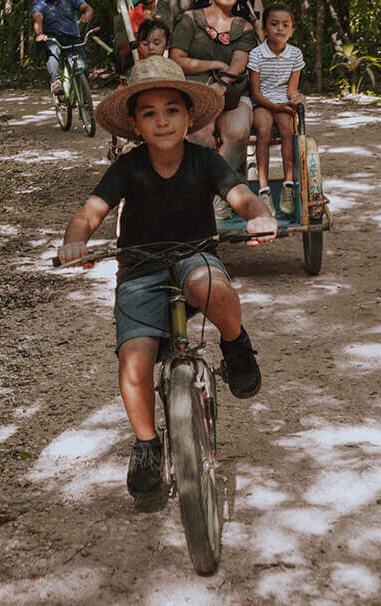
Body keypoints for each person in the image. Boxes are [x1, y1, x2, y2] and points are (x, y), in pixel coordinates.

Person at [57, 56, 277, 499]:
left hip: (195, 255)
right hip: (139, 268)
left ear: (189, 116)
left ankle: (236, 346)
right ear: (136, 125)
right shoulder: (127, 168)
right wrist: (74, 242)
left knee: (210, 287)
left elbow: (243, 198)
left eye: (172, 110)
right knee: (133, 362)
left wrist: (260, 217)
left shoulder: (205, 161)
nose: (162, 121)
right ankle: (146, 444)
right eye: (149, 113)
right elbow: (88, 215)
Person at [169, 0, 260, 219]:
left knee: (239, 133)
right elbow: (177, 59)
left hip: (232, 92)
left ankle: (218, 196)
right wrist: (213, 63)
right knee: (200, 136)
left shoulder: (245, 27)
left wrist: (220, 86)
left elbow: (239, 64)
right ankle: (207, 195)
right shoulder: (189, 20)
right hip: (194, 91)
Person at [248, 3, 305, 215]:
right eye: (274, 24)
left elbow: (291, 89)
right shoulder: (256, 54)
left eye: (285, 25)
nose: (279, 29)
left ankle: (288, 184)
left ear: (291, 30)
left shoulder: (295, 54)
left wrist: (295, 98)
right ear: (264, 29)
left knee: (287, 128)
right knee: (263, 129)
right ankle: (263, 189)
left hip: (282, 100)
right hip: (262, 101)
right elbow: (255, 93)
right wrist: (275, 106)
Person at [31, 0, 93, 99]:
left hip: (73, 38)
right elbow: (37, 17)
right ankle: (56, 82)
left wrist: (87, 14)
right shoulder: (40, 2)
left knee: (82, 68)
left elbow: (87, 7)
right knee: (52, 54)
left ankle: (85, 103)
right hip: (52, 38)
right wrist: (40, 34)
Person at [116, 0, 162, 65]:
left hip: (166, 66)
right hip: (139, 69)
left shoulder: (169, 12)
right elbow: (121, 52)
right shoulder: (126, 17)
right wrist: (142, 31)